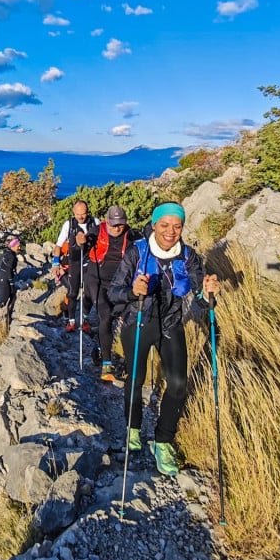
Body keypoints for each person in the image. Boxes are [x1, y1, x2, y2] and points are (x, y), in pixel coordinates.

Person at [108, 202, 221, 476]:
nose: (171, 231)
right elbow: (114, 292)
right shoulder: (137, 252)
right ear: (155, 225)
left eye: (177, 226)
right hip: (138, 322)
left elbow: (201, 299)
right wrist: (133, 292)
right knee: (135, 379)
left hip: (171, 323)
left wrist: (209, 294)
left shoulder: (189, 256)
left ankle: (163, 439)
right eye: (165, 225)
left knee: (179, 384)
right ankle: (132, 429)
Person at [89, 205, 140, 382]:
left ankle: (100, 346)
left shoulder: (132, 235)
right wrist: (81, 242)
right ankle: (106, 364)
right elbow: (80, 247)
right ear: (107, 222)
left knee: (121, 317)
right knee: (106, 317)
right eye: (113, 225)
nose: (117, 228)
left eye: (120, 225)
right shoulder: (97, 231)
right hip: (97, 282)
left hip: (120, 286)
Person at [53, 200, 98, 332]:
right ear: (74, 212)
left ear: (87, 212)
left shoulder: (95, 222)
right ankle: (71, 321)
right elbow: (58, 245)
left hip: (90, 262)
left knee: (89, 292)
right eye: (78, 214)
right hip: (74, 262)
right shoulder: (69, 225)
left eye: (83, 214)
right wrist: (56, 264)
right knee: (73, 292)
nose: (80, 217)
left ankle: (85, 319)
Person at [0, 237, 20, 329]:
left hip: (1, 277)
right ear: (13, 246)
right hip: (5, 278)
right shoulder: (11, 256)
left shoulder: (6, 253)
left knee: (12, 297)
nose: (19, 247)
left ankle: (8, 317)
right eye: (18, 245)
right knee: (4, 299)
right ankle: (0, 317)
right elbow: (8, 269)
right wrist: (11, 282)